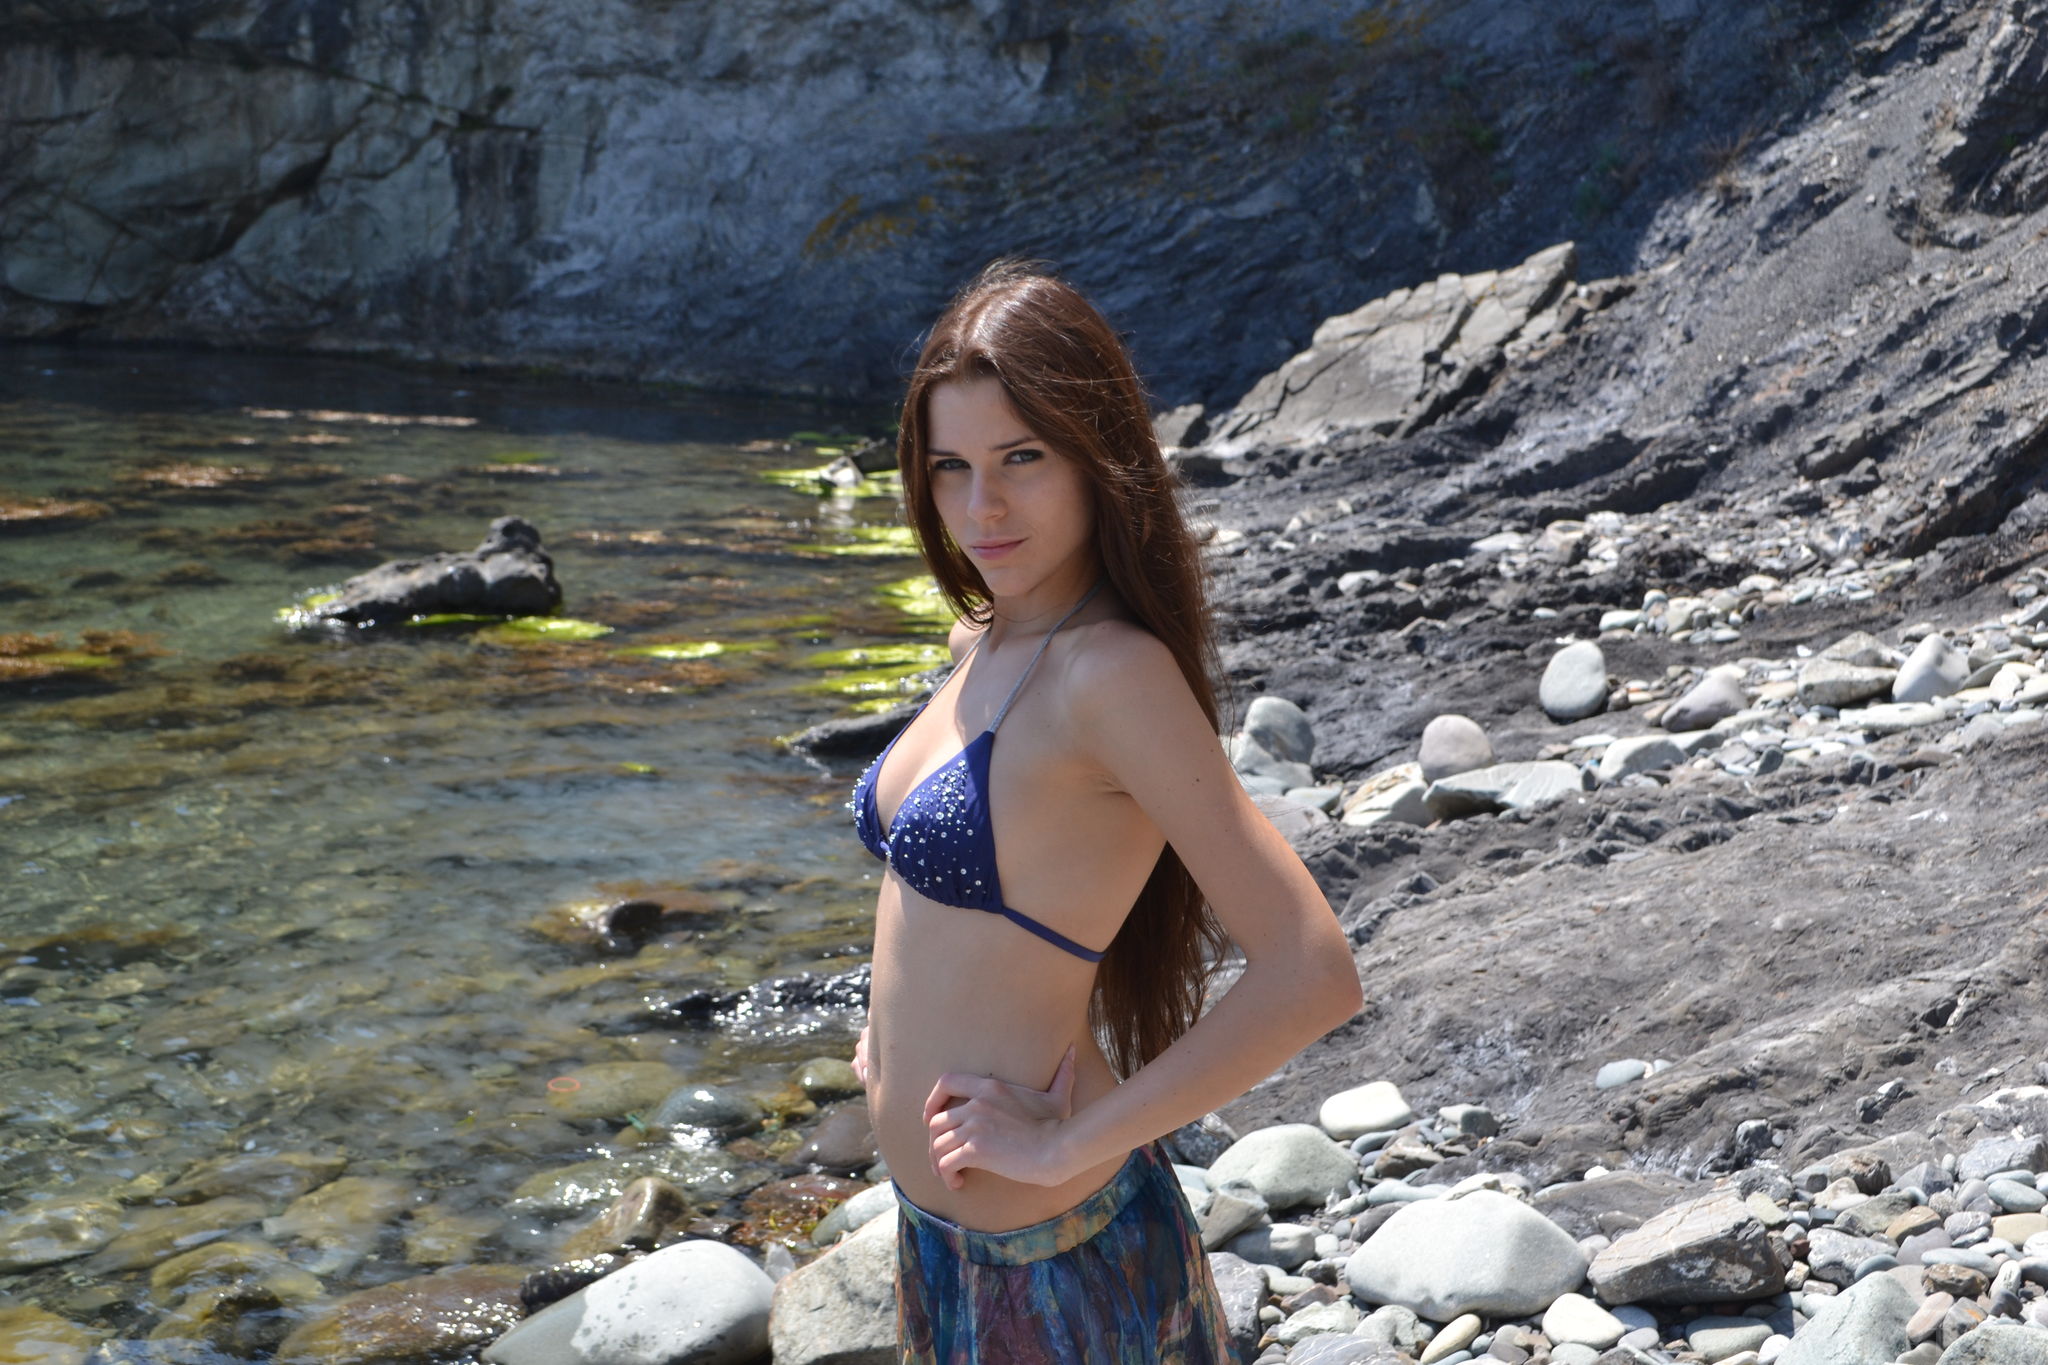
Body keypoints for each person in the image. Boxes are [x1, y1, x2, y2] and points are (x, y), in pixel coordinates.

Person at [847, 259, 1363, 1362]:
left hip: (1057, 1264)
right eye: (950, 467)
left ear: (1097, 457)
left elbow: (1312, 970)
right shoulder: (985, 637)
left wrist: (1065, 1143)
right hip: (943, 1243)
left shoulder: (1109, 676)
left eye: (1022, 458)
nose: (980, 507)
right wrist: (885, 1039)